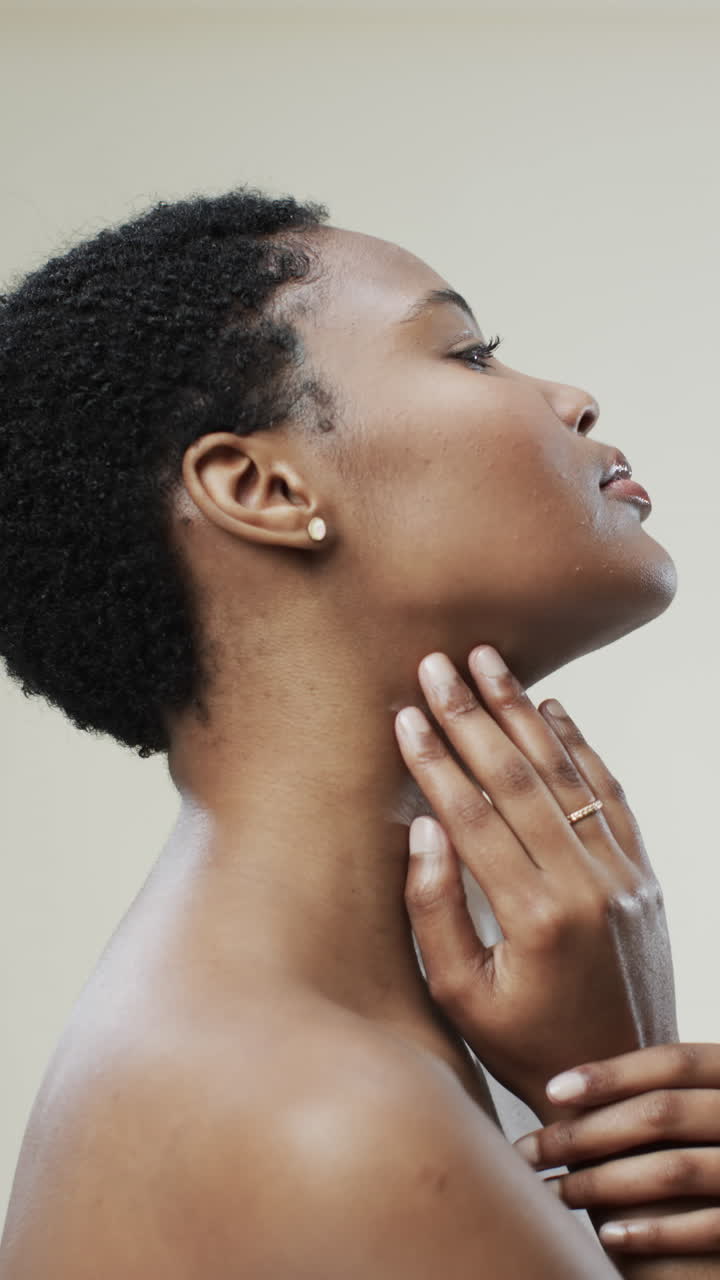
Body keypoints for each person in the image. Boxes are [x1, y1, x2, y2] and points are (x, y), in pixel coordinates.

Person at [0, 186, 713, 1277]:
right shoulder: (328, 1121)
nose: (572, 398)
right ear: (260, 486)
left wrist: (628, 1089)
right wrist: (647, 1135)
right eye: (472, 353)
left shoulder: (278, 1038)